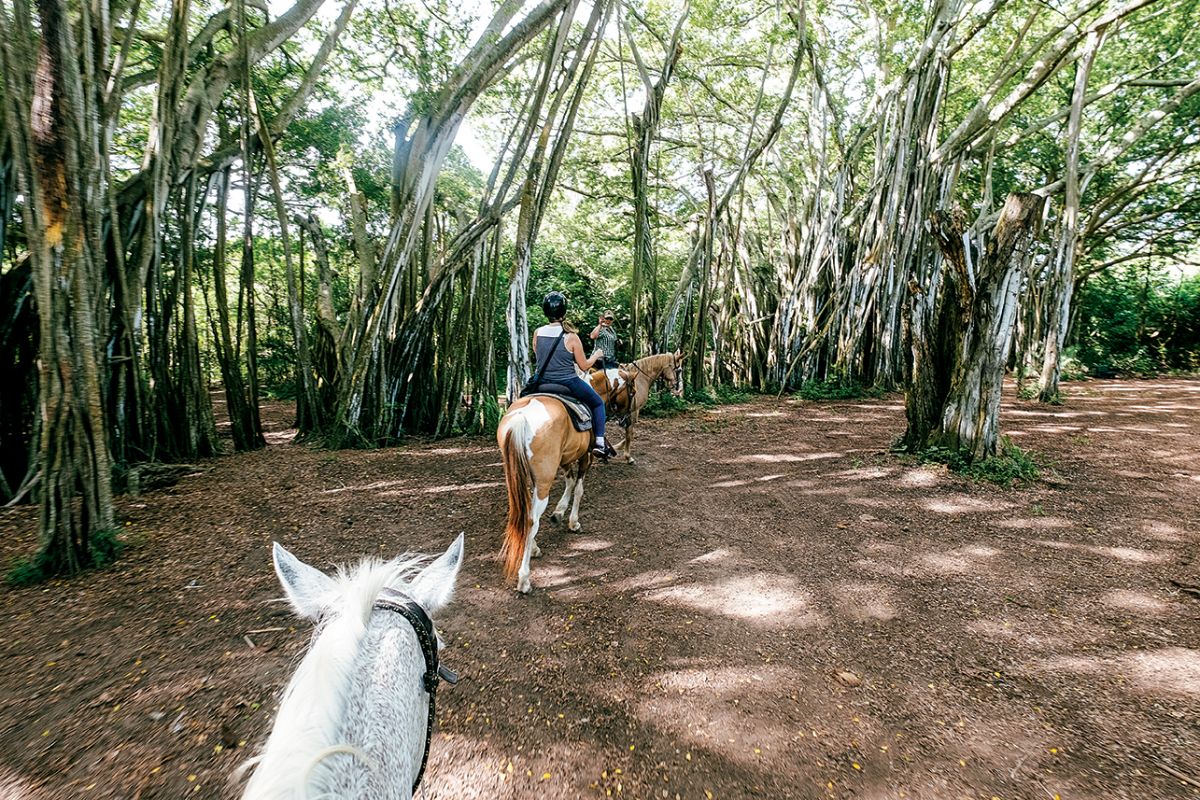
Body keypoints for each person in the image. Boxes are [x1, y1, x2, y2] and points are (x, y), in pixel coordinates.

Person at [534, 292, 617, 460]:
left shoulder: (538, 332)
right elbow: (584, 366)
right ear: (564, 312)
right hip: (567, 382)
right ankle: (600, 442)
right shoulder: (571, 337)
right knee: (597, 403)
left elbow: (538, 355)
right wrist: (596, 355)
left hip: (541, 383)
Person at [589, 310, 622, 389]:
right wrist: (600, 325)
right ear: (603, 319)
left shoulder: (612, 330)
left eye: (610, 319)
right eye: (607, 318)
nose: (608, 321)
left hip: (610, 360)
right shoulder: (601, 328)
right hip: (601, 360)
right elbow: (592, 336)